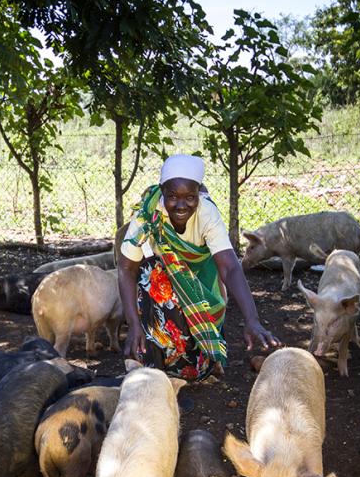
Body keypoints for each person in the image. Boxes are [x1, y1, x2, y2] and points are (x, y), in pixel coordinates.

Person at [117, 154, 279, 382]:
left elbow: (230, 268)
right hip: (163, 281)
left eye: (190, 197)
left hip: (202, 279)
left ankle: (203, 361)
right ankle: (154, 361)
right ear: (162, 190)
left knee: (196, 368)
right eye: (172, 196)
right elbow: (126, 268)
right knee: (150, 273)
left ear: (198, 194)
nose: (181, 205)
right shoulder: (147, 215)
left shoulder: (207, 213)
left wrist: (251, 319)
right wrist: (133, 324)